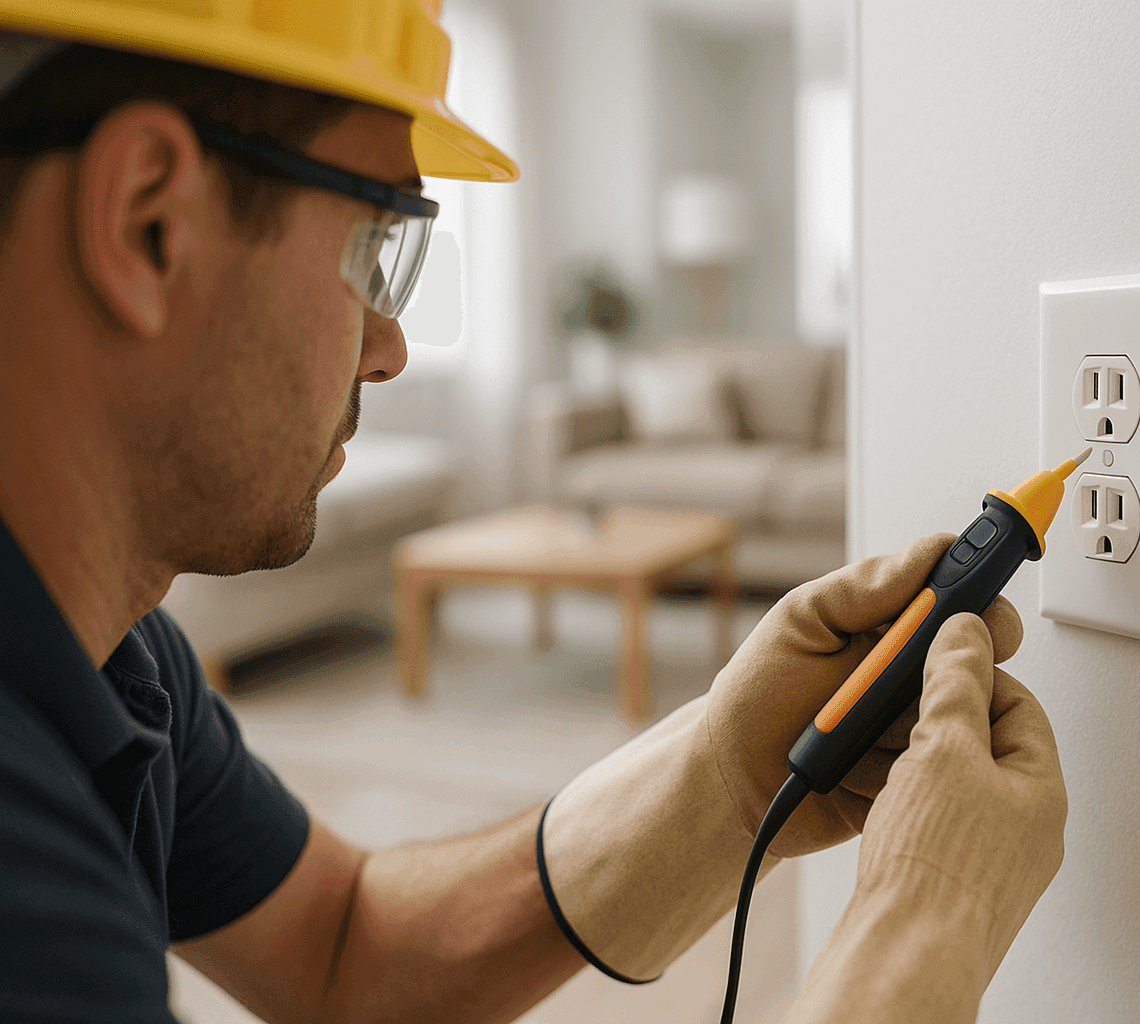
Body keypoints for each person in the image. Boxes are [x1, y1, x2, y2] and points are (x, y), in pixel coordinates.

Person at [0, 4, 1067, 1022]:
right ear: (148, 223)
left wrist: (724, 774)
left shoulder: (113, 652)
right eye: (378, 245)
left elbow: (343, 947)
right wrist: (929, 915)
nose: (392, 345)